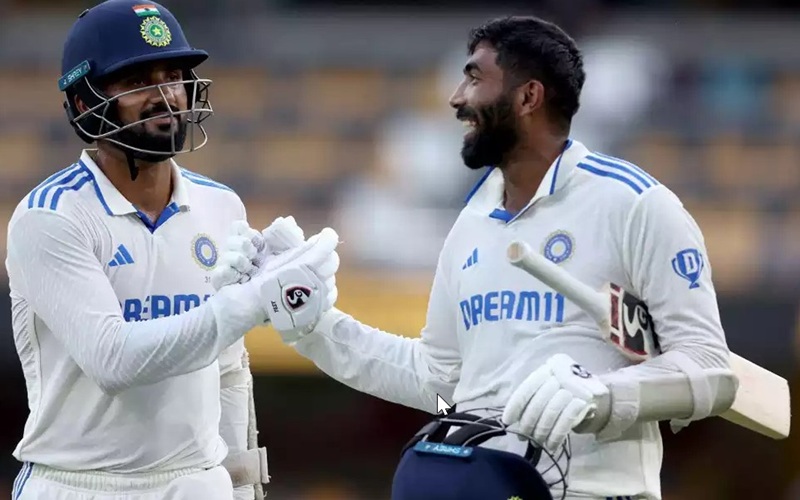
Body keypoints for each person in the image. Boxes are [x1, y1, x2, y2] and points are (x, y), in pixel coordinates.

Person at [214, 16, 737, 500]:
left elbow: (711, 368)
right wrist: (316, 327)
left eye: (474, 79)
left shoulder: (635, 204)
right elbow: (439, 380)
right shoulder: (472, 220)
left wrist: (603, 394)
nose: (456, 98)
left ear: (528, 96)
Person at [5, 1, 339, 499]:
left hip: (197, 480)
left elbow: (227, 367)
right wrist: (248, 303)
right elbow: (113, 360)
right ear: (83, 100)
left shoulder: (221, 205)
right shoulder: (50, 217)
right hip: (81, 484)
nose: (165, 96)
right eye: (137, 80)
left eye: (174, 77)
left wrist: (241, 481)